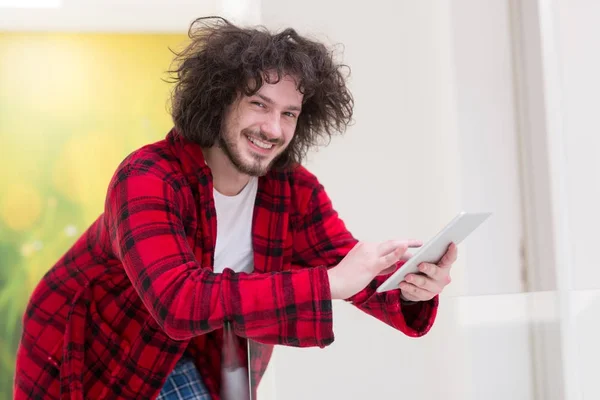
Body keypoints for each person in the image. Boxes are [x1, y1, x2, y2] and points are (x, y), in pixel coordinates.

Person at [13, 16, 456, 400]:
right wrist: (327, 284)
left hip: (202, 355)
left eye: (289, 113)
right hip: (93, 352)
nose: (273, 128)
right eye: (259, 104)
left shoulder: (293, 190)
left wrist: (410, 286)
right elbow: (178, 301)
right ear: (220, 98)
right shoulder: (147, 176)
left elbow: (347, 266)